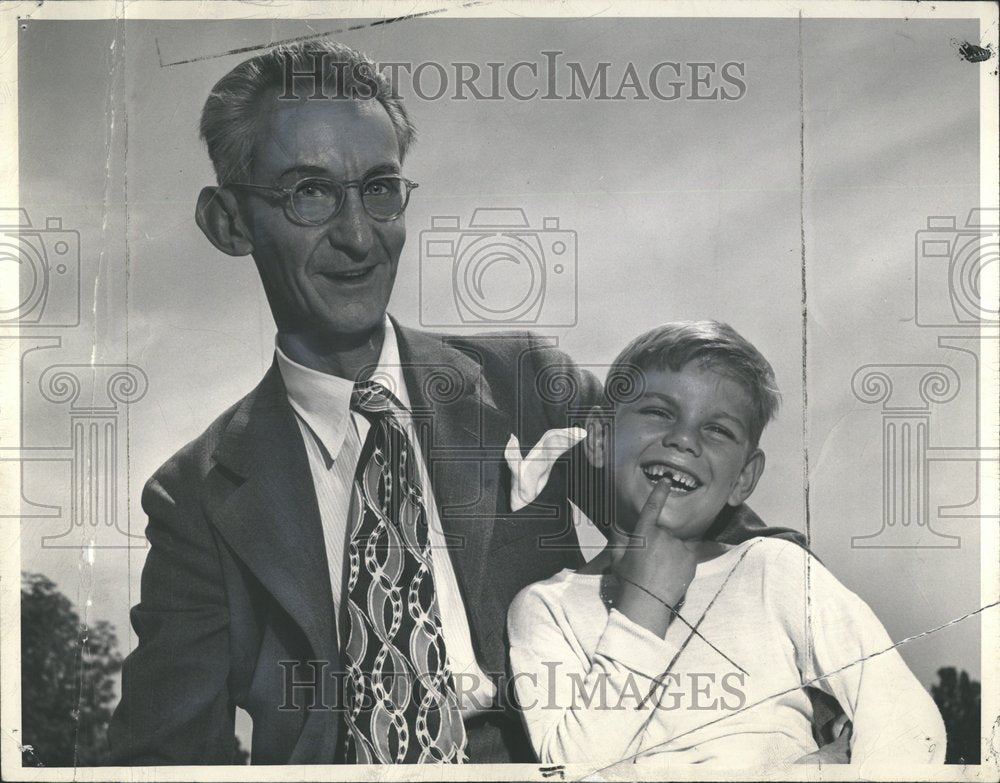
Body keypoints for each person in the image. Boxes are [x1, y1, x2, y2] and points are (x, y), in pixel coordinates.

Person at [109, 41, 816, 765]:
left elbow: (739, 546)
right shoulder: (195, 495)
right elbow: (164, 752)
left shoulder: (525, 381)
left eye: (379, 187)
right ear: (229, 222)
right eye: (308, 192)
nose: (357, 236)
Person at [508, 321, 946, 769]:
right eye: (659, 412)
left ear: (742, 479)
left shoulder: (775, 570)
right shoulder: (547, 609)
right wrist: (643, 609)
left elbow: (906, 719)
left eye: (717, 430)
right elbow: (572, 768)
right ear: (600, 438)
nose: (683, 439)